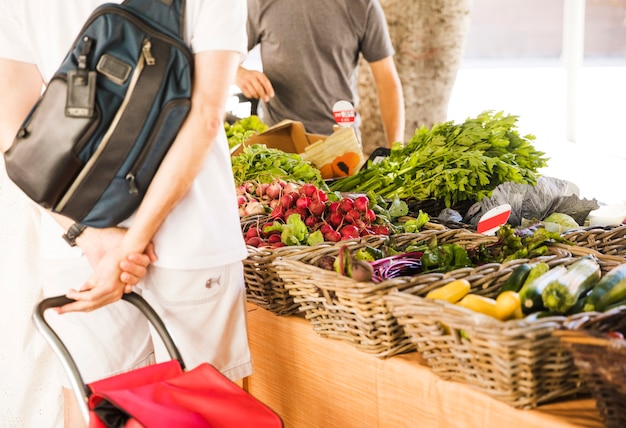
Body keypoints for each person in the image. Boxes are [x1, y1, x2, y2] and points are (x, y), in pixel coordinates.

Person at [0, 0, 252, 426]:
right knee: (205, 411)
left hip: (82, 256)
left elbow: (12, 130)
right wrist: (133, 245)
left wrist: (90, 237)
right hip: (191, 241)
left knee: (97, 409)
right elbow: (206, 117)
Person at [236, 0, 405, 148]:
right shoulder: (259, 2)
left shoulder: (363, 5)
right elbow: (223, 57)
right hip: (277, 142)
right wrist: (239, 74)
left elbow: (387, 81)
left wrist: (394, 148)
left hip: (340, 144)